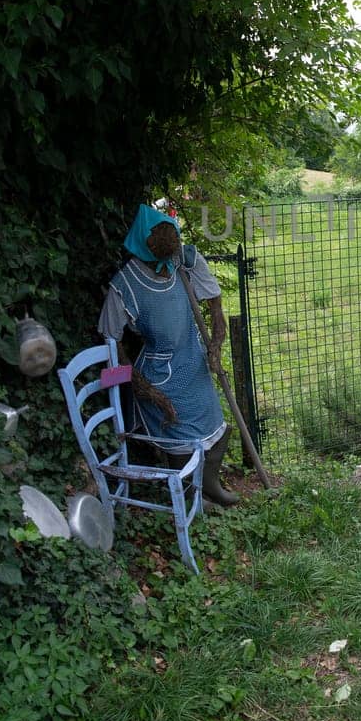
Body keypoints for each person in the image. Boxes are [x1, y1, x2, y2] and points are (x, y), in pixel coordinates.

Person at [98, 203, 239, 507]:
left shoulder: (184, 261)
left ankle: (209, 485)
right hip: (161, 376)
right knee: (182, 443)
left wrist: (216, 345)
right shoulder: (125, 286)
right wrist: (147, 391)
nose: (168, 259)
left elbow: (215, 303)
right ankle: (190, 496)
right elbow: (112, 342)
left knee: (219, 428)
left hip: (193, 360)